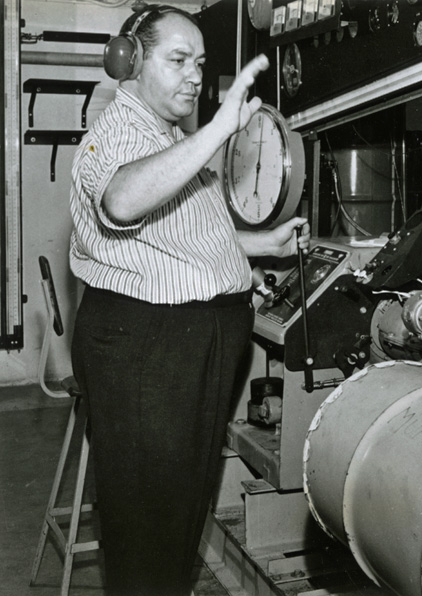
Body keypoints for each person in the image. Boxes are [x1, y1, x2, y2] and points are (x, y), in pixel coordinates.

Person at [68, 5, 310, 595]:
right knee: (148, 527)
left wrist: (259, 245)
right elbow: (122, 202)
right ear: (128, 60)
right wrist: (218, 129)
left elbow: (177, 236)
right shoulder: (121, 130)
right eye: (177, 60)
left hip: (182, 349)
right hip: (147, 352)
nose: (195, 76)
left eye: (200, 63)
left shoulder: (166, 136)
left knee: (176, 519)